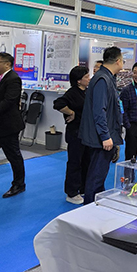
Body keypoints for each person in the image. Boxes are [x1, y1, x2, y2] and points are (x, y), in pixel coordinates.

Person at [79, 46, 124, 204]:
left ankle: (96, 205)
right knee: (96, 176)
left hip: (104, 135)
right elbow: (99, 110)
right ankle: (89, 207)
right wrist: (105, 136)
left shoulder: (107, 77)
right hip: (100, 138)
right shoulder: (102, 80)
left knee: (99, 176)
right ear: (118, 61)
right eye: (122, 60)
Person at [53, 66, 91, 205]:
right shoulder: (72, 93)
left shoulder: (86, 92)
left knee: (86, 161)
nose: (89, 78)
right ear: (78, 80)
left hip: (85, 133)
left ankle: (82, 187)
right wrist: (71, 112)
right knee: (75, 162)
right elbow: (58, 104)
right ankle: (72, 192)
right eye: (86, 77)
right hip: (75, 133)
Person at [0, 52, 26, 198]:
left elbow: (9, 101)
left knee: (14, 157)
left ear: (7, 64)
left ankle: (19, 184)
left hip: (8, 126)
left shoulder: (13, 79)